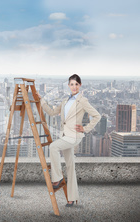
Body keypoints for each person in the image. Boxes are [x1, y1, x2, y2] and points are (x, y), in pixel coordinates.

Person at [36, 74, 101, 207]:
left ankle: (57, 178)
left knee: (53, 147)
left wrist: (85, 128)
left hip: (74, 136)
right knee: (70, 166)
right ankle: (72, 198)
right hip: (65, 135)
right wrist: (41, 100)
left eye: (76, 84)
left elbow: (97, 116)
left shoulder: (82, 101)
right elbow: (52, 112)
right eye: (72, 84)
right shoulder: (65, 101)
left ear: (80, 85)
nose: (74, 87)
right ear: (68, 86)